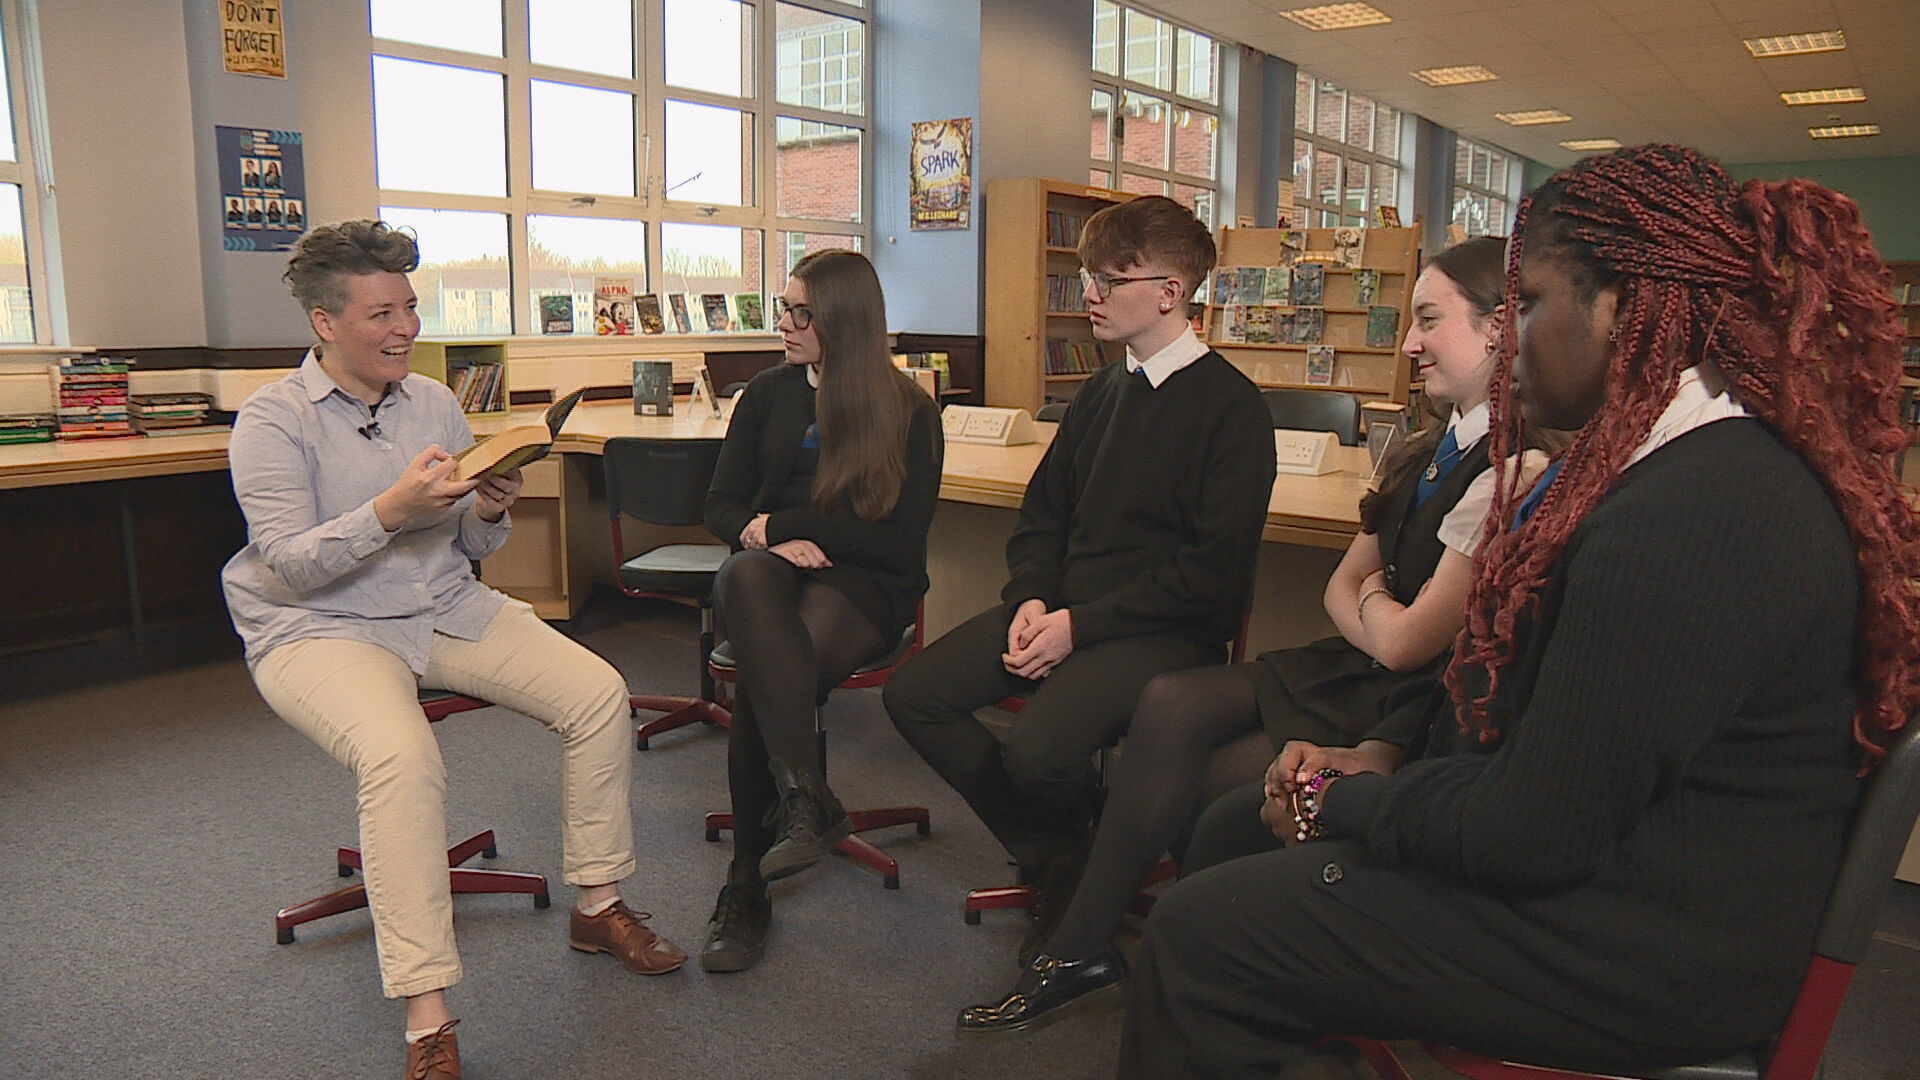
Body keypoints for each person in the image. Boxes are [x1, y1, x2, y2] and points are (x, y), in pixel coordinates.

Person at [1120, 144, 1920, 1078]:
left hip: (1645, 950)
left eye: (1530, 304)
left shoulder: (1708, 511)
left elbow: (1534, 829)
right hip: (1610, 877)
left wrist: (1350, 800)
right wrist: (1379, 753)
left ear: (1623, 305)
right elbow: (1509, 685)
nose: (1509, 338)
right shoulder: (1651, 464)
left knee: (1202, 935)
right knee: (1227, 836)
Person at [957, 237, 1556, 1032]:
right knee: (1168, 707)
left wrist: (1376, 602)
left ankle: (1129, 947)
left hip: (1409, 695)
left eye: (1427, 321)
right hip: (1352, 661)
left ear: (1496, 330)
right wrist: (1380, 603)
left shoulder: (1516, 465)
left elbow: (1408, 643)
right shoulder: (1429, 447)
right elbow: (1341, 586)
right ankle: (1100, 944)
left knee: (1198, 770)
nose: (1409, 343)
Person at [222, 221, 685, 1080]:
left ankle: (599, 902)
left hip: (437, 604)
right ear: (326, 324)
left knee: (596, 693)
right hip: (319, 628)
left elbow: (467, 552)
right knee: (401, 755)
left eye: (410, 307)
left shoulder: (433, 402)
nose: (405, 328)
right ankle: (428, 1015)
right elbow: (289, 563)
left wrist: (490, 508)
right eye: (381, 313)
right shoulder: (270, 421)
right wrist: (391, 509)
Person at [883, 195, 1275, 981]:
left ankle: (1076, 868)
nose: (1088, 293)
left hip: (1161, 632)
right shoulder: (1097, 393)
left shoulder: (1232, 410)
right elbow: (1043, 516)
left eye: (1109, 277)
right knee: (914, 694)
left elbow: (1209, 577)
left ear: (1170, 291)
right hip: (1063, 612)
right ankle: (1064, 853)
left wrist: (1076, 627)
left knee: (1038, 750)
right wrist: (1031, 597)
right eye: (1087, 275)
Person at [698, 250, 943, 973]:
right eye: (784, 308)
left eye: (802, 313)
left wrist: (789, 526)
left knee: (767, 679)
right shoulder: (767, 395)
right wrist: (762, 533)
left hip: (867, 584)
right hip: (769, 570)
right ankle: (804, 795)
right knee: (745, 578)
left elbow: (897, 541)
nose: (785, 324)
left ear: (845, 319)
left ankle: (746, 880)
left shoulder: (908, 411)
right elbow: (719, 505)